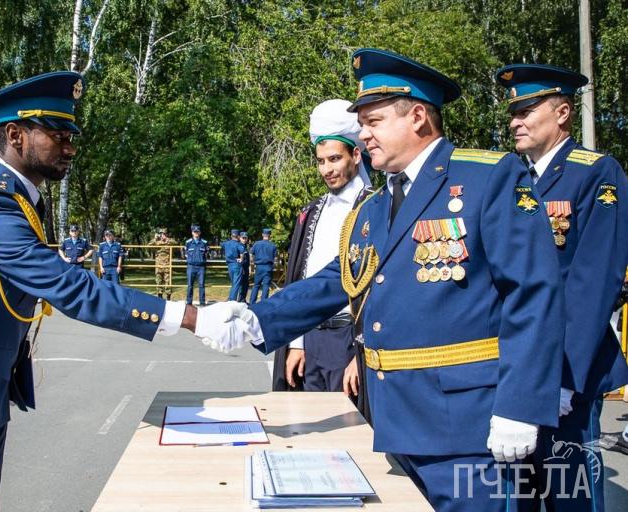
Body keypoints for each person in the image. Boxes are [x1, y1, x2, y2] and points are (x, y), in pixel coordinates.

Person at [191, 48, 565, 511]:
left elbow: (535, 296)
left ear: (418, 117)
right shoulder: (373, 208)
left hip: (474, 427)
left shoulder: (488, 178)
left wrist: (521, 406)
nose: (363, 134)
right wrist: (255, 318)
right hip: (398, 421)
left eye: (373, 121)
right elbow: (338, 280)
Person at [0, 71, 215, 511]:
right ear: (15, 135)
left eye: (70, 136)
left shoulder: (21, 200)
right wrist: (186, 316)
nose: (70, 148)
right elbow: (67, 285)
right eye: (57, 136)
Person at [496, 63, 628, 512]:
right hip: (517, 372)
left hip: (568, 374)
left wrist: (563, 378)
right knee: (518, 497)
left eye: (526, 111)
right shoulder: (513, 180)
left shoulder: (596, 174)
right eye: (513, 114)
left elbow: (593, 283)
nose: (515, 122)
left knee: (571, 496)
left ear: (563, 112)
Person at [271, 99, 373, 411]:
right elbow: (302, 282)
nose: (326, 169)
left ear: (356, 155)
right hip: (311, 340)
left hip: (350, 342)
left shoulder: (375, 207)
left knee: (353, 429)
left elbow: (382, 289)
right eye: (320, 161)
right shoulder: (311, 212)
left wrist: (363, 356)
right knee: (308, 425)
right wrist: (297, 343)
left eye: (334, 159)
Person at [249, 228, 277, 303]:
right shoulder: (273, 245)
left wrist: (252, 263)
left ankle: (252, 302)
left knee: (256, 285)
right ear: (270, 235)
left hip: (259, 267)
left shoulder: (256, 244)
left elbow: (251, 254)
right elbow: (275, 259)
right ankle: (263, 303)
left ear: (262, 235)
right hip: (268, 267)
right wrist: (273, 266)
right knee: (266, 286)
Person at [183, 224, 209, 306]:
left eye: (197, 232)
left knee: (201, 285)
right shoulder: (188, 242)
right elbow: (185, 253)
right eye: (195, 232)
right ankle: (189, 302)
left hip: (201, 267)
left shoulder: (204, 242)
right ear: (192, 233)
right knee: (190, 285)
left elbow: (207, 253)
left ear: (200, 232)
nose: (196, 233)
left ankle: (202, 302)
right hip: (191, 266)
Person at [148, 228, 176, 299]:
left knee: (168, 282)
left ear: (166, 234)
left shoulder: (169, 241)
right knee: (158, 282)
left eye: (164, 234)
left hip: (167, 265)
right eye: (161, 234)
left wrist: (167, 240)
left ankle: (168, 298)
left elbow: (176, 243)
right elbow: (149, 245)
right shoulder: (156, 242)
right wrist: (155, 239)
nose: (163, 235)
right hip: (159, 265)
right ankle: (159, 297)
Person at [220, 229, 245, 301]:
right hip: (236, 264)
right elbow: (242, 252)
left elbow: (221, 245)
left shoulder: (226, 243)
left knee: (233, 283)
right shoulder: (239, 244)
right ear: (238, 236)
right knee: (236, 284)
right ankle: (232, 300)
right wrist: (241, 258)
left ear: (231, 236)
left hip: (229, 265)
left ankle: (230, 298)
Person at [238, 231, 251, 302]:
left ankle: (243, 299)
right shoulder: (238, 246)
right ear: (240, 238)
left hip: (246, 268)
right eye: (243, 238)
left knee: (246, 284)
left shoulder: (245, 246)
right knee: (241, 285)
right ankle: (240, 299)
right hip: (241, 267)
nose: (244, 239)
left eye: (246, 238)